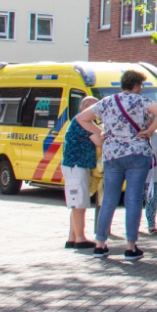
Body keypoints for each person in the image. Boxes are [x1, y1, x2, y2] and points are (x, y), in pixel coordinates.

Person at [76, 69, 157, 260]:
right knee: (133, 200)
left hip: (112, 155)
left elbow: (81, 118)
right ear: (136, 85)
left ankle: (100, 245)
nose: (141, 88)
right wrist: (149, 130)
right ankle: (130, 247)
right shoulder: (141, 101)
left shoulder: (107, 102)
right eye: (141, 85)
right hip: (137, 154)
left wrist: (101, 132)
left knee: (109, 199)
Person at [61, 96, 99, 249]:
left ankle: (73, 236)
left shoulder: (85, 123)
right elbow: (99, 140)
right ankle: (80, 238)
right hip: (76, 165)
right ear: (85, 108)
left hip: (78, 165)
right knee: (79, 202)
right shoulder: (82, 123)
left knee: (77, 201)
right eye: (94, 108)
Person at [144, 132, 157, 235]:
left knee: (152, 201)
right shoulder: (134, 134)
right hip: (138, 175)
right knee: (135, 202)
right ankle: (134, 225)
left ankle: (151, 225)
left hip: (153, 175)